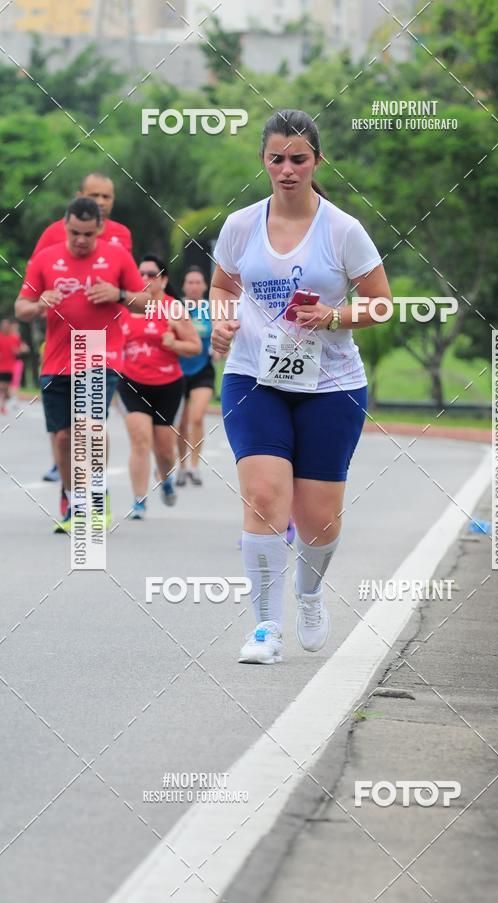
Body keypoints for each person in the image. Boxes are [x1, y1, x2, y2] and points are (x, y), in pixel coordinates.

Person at [210, 108, 391, 665]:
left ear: (316, 161)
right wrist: (221, 321)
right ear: (263, 161)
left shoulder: (343, 230)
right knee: (264, 498)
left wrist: (335, 318)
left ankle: (309, 595)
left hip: (331, 385)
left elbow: (381, 304)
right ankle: (266, 627)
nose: (287, 169)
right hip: (252, 377)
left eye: (298, 159)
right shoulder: (241, 225)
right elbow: (222, 285)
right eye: (277, 159)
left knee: (319, 519)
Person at [15, 197, 149, 533]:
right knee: (62, 438)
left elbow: (145, 301)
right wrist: (38, 304)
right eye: (75, 232)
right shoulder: (46, 259)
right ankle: (74, 502)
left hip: (99, 352)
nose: (80, 240)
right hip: (57, 359)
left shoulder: (117, 256)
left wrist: (118, 294)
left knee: (87, 427)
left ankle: (97, 495)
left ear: (100, 229)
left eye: (88, 234)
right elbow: (21, 306)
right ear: (65, 226)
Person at [118, 255, 200, 520]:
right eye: (140, 273)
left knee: (165, 450)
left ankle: (165, 478)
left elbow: (195, 347)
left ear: (164, 279)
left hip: (167, 385)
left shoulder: (174, 309)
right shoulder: (126, 307)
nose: (144, 279)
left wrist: (174, 343)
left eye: (151, 274)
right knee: (140, 439)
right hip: (131, 383)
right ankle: (139, 499)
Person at [175, 267, 215, 486]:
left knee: (197, 417)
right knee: (181, 422)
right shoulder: (175, 308)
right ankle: (181, 466)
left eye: (198, 282)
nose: (194, 286)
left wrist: (220, 349)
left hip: (202, 370)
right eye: (190, 282)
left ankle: (194, 466)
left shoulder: (211, 309)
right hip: (178, 370)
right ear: (183, 286)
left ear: (205, 286)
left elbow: (221, 334)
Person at [32, 172, 132, 256]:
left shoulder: (122, 233)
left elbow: (128, 276)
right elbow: (34, 275)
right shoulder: (53, 233)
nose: (101, 202)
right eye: (94, 195)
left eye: (106, 197)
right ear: (79, 196)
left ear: (113, 199)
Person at [0, 319, 28, 415]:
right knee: (2, 386)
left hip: (10, 367)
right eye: (3, 325)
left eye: (7, 326)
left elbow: (23, 349)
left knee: (6, 388)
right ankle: (2, 406)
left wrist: (17, 351)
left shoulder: (15, 338)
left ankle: (3, 406)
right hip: (1, 366)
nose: (5, 327)